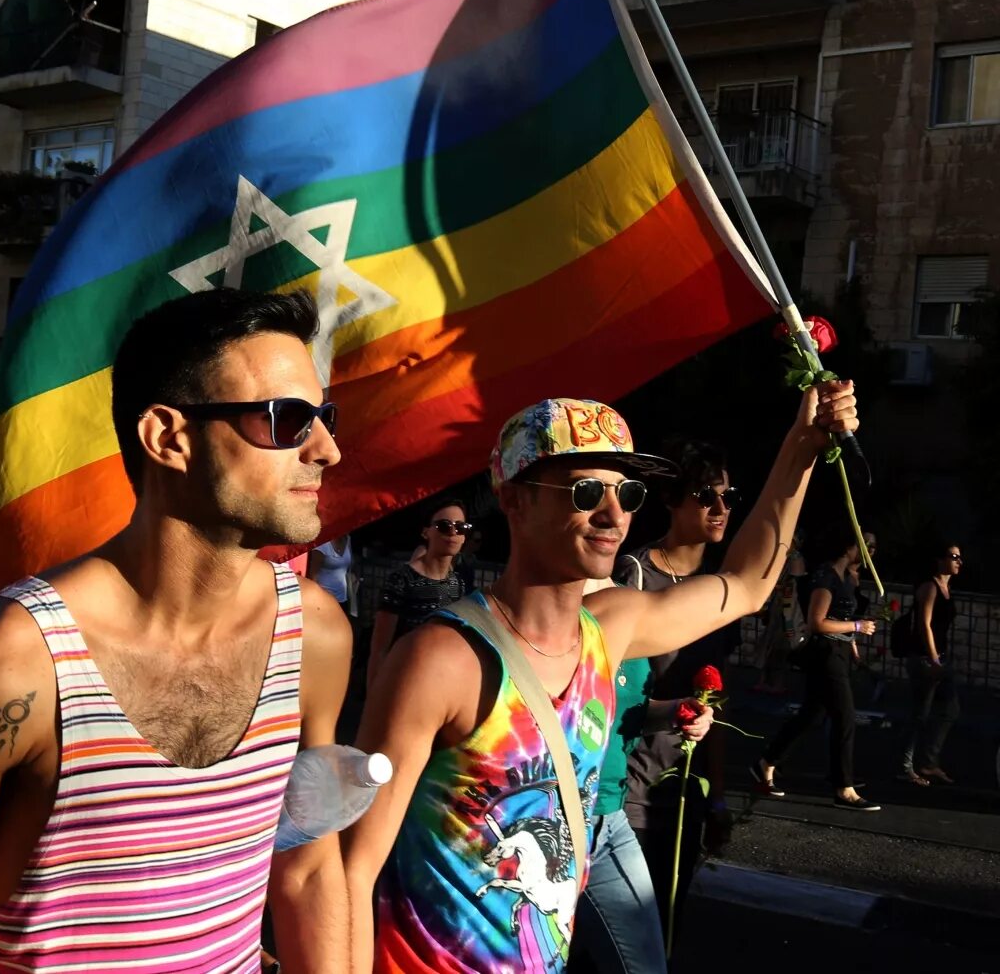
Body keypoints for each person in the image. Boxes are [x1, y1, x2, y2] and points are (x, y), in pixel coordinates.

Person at [0, 289, 351, 973]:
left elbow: (308, 864)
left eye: (324, 416)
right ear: (168, 437)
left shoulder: (315, 635)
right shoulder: (18, 662)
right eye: (288, 419)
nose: (329, 449)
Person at [345, 385, 859, 974]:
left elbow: (747, 584)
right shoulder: (443, 660)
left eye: (628, 494)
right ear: (513, 500)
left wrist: (802, 445)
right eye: (586, 492)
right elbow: (350, 868)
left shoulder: (610, 628)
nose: (614, 516)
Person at [571, 440, 740, 974]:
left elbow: (714, 697)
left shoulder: (719, 590)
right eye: (704, 496)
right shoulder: (633, 577)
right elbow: (607, 690)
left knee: (665, 927)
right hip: (630, 786)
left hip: (685, 786)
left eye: (728, 497)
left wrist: (717, 794)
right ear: (672, 501)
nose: (719, 508)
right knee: (607, 944)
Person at [755, 523, 880, 810]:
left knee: (812, 715)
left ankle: (767, 762)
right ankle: (843, 788)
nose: (870, 552)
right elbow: (818, 622)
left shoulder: (847, 577)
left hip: (839, 651)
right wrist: (858, 626)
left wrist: (852, 642)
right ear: (851, 546)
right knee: (845, 717)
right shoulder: (826, 576)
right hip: (825, 654)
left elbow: (841, 614)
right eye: (866, 545)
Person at [367, 499, 470, 692]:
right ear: (426, 532)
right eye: (443, 526)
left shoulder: (458, 582)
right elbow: (380, 648)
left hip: (443, 686)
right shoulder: (402, 579)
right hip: (403, 683)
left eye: (461, 527)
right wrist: (374, 695)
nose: (453, 533)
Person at [898, 542, 963, 786]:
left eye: (959, 557)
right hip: (925, 659)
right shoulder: (929, 587)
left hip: (940, 659)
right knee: (919, 715)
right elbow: (924, 626)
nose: (959, 561)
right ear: (939, 560)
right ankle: (905, 767)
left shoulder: (947, 587)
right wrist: (934, 658)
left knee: (950, 709)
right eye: (954, 556)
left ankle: (928, 762)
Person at [754, 529, 806, 694]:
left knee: (782, 648)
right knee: (768, 645)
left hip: (787, 609)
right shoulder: (781, 558)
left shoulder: (795, 558)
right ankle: (764, 680)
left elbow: (793, 582)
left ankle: (777, 683)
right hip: (777, 607)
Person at [307, 534, 354, 613]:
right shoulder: (322, 544)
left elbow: (349, 563)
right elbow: (312, 576)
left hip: (342, 597)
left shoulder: (347, 539)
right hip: (324, 598)